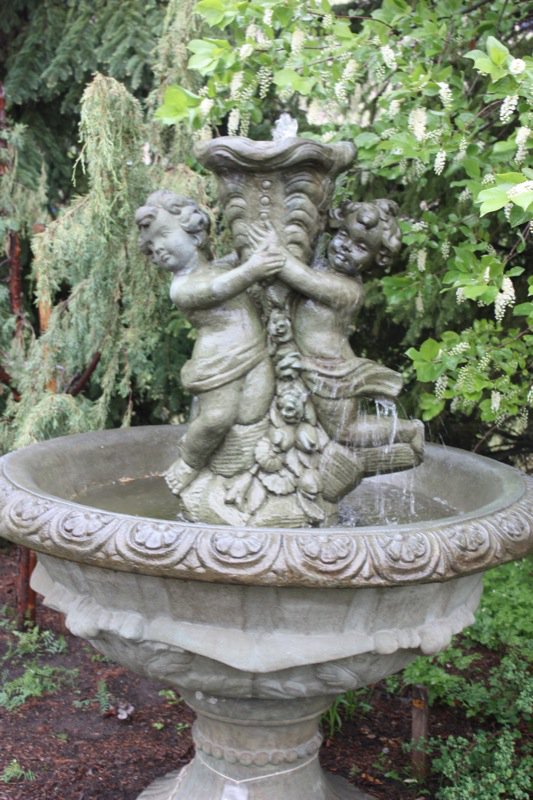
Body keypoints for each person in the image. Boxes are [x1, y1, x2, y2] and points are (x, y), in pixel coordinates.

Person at [135, 190, 285, 493]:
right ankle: (189, 463)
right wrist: (253, 269)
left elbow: (238, 262)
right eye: (150, 247)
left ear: (194, 232)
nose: (158, 248)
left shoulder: (219, 266)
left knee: (254, 413)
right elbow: (218, 288)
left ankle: (238, 473)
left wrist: (263, 241)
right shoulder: (182, 287)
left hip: (255, 351)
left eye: (163, 235)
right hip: (218, 360)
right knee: (217, 418)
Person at [266, 200, 424, 458]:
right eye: (343, 234)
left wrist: (267, 244)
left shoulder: (348, 290)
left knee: (345, 431)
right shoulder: (322, 263)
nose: (346, 247)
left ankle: (410, 431)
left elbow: (302, 278)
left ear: (378, 257)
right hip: (304, 363)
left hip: (329, 372)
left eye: (361, 247)